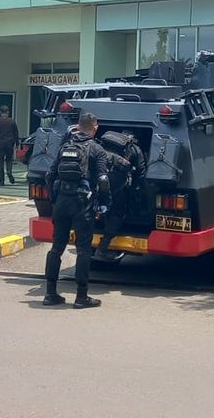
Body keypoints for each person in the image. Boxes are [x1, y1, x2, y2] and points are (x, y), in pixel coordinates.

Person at [43, 112, 109, 308]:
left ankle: (50, 294)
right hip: (82, 204)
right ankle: (81, 297)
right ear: (95, 128)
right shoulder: (97, 149)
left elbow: (49, 175)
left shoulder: (65, 147)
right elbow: (103, 181)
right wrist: (104, 204)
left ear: (78, 126)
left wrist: (55, 199)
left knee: (56, 247)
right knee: (83, 250)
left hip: (62, 202)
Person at [94, 131, 144, 261]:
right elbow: (141, 171)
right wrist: (136, 191)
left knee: (99, 206)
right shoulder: (134, 148)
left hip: (98, 177)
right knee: (118, 213)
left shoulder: (105, 141)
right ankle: (103, 247)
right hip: (116, 184)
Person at [0, 105, 19, 186]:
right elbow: (16, 133)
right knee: (9, 160)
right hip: (10, 144)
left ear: (0, 112)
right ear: (8, 112)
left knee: (0, 162)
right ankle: (9, 172)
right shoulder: (12, 121)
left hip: (0, 144)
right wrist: (17, 144)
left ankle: (1, 181)